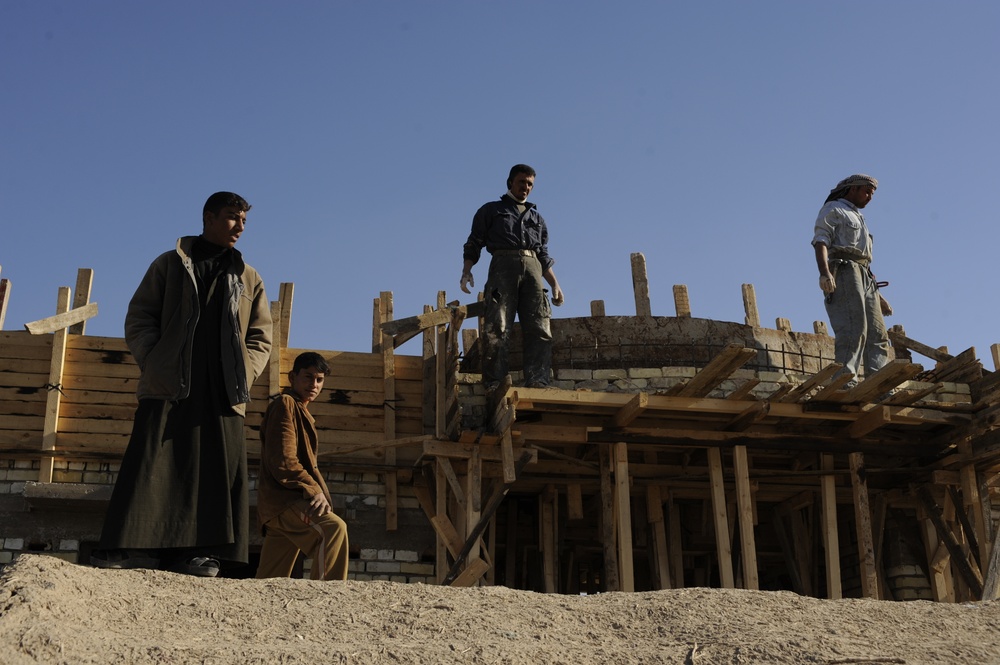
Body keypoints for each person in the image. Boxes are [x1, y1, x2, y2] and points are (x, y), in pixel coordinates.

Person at [91, 191, 272, 577]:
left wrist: (245, 370)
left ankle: (197, 555)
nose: (239, 227)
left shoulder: (248, 275)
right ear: (207, 217)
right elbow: (140, 317)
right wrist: (155, 360)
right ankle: (126, 549)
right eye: (230, 217)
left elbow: (261, 336)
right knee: (150, 462)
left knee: (213, 472)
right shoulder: (170, 264)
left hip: (223, 390)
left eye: (243, 220)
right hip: (170, 383)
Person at [460, 164, 564, 390]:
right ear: (510, 183)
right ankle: (495, 382)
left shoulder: (537, 218)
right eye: (521, 182)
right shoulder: (491, 210)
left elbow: (543, 254)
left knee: (539, 326)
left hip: (534, 272)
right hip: (502, 269)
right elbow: (474, 242)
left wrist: (555, 284)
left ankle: (538, 380)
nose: (525, 187)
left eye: (530, 184)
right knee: (497, 325)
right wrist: (466, 271)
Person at [255, 352, 349, 581]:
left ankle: (248, 612)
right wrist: (314, 490)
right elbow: (284, 461)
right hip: (285, 501)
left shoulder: (299, 408)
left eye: (319, 380)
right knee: (333, 529)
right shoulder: (285, 404)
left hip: (276, 506)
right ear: (292, 377)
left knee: (269, 579)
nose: (314, 385)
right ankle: (326, 600)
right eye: (308, 377)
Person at [812, 174, 891, 389]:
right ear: (852, 189)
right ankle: (845, 380)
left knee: (877, 333)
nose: (869, 197)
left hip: (864, 276)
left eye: (872, 193)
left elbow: (863, 258)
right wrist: (825, 272)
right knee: (853, 327)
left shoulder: (859, 217)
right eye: (866, 191)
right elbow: (821, 241)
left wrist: (878, 295)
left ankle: (879, 385)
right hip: (845, 271)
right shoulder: (833, 209)